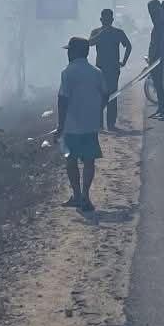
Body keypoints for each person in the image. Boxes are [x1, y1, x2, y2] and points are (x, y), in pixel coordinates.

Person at [55, 36, 107, 212]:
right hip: (90, 124)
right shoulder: (96, 72)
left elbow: (62, 100)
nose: (68, 53)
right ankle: (85, 196)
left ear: (75, 52)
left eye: (69, 50)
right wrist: (98, 110)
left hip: (72, 125)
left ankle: (77, 196)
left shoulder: (67, 72)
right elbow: (105, 94)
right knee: (89, 160)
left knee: (71, 160)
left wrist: (60, 126)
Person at [90, 8, 132, 130]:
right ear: (101, 19)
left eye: (109, 19)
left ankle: (111, 124)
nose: (106, 21)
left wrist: (124, 61)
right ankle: (99, 125)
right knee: (99, 97)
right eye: (104, 19)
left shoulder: (118, 32)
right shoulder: (96, 32)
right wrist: (101, 34)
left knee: (112, 97)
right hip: (100, 69)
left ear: (112, 20)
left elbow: (128, 46)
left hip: (113, 69)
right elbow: (89, 43)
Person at [145, 0, 164, 120]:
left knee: (161, 86)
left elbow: (161, 45)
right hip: (154, 62)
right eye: (150, 12)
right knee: (159, 86)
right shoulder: (157, 26)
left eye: (154, 11)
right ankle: (161, 108)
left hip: (160, 62)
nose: (152, 14)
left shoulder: (162, 25)